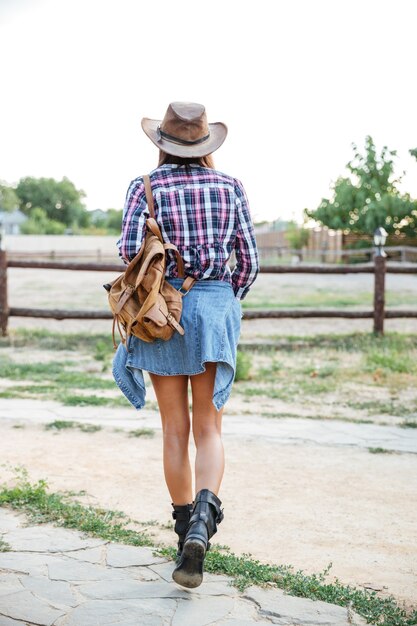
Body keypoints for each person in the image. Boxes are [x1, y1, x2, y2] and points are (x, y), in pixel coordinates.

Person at [112, 101, 259, 588]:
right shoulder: (229, 186)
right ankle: (203, 524)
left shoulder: (146, 187)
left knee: (175, 430)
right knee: (209, 430)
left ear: (163, 143)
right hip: (214, 307)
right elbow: (248, 261)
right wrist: (220, 300)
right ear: (204, 144)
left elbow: (128, 252)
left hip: (162, 313)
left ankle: (184, 536)